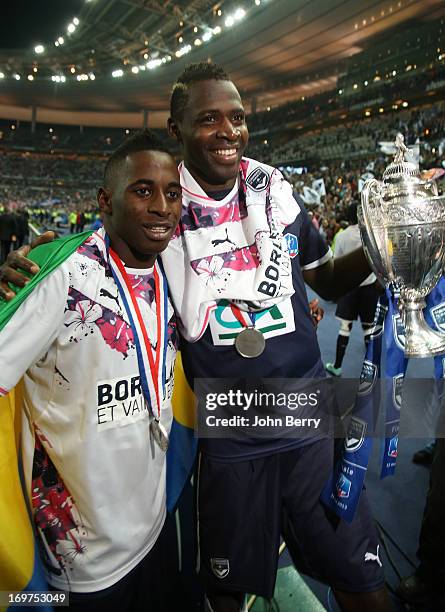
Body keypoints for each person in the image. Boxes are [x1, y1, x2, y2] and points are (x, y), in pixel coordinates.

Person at [1, 63, 392, 612]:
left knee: (360, 579)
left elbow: (324, 277)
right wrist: (34, 261)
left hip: (308, 413)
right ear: (177, 128)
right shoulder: (164, 208)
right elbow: (100, 250)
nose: (228, 130)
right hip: (229, 430)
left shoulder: (271, 186)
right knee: (224, 592)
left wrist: (390, 252)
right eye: (208, 119)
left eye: (236, 117)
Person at [0, 131, 182, 611]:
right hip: (85, 560)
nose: (163, 206)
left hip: (157, 521)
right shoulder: (59, 273)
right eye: (143, 190)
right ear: (106, 201)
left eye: (172, 192)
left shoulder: (172, 271)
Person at [326, 202, 381, 377]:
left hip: (348, 288)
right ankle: (373, 368)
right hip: (369, 289)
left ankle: (337, 366)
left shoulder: (341, 237)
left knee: (344, 328)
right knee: (369, 330)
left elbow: (336, 264)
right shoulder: (372, 235)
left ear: (347, 217)